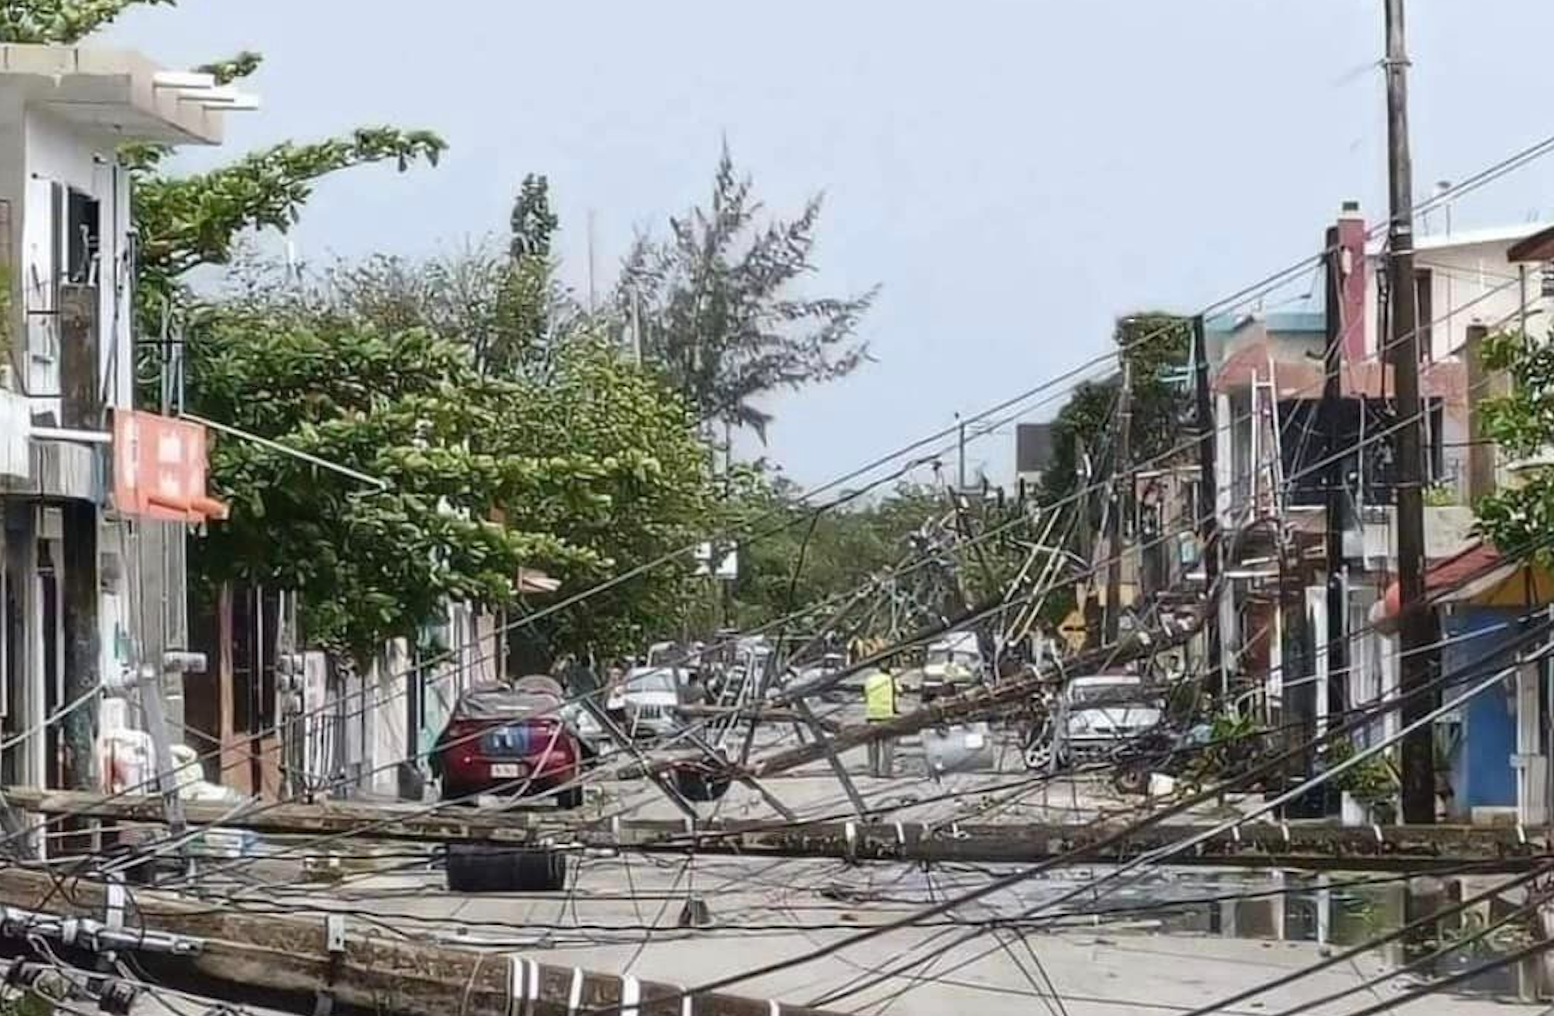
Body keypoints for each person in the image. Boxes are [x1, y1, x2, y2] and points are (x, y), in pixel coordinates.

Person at [864, 666, 899, 778]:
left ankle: (873, 771)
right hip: (886, 714)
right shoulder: (891, 679)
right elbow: (900, 691)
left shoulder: (869, 679)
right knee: (888, 744)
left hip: (872, 714)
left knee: (872, 744)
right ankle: (886, 771)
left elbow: (866, 695)